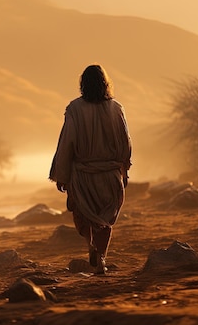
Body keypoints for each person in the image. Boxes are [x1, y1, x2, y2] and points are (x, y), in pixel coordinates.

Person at [49, 64, 132, 275]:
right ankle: (101, 258)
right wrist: (124, 169)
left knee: (84, 216)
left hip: (83, 176)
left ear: (82, 84)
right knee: (104, 220)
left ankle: (91, 248)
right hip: (110, 175)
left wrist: (62, 175)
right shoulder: (117, 108)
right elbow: (126, 142)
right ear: (105, 83)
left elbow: (66, 143)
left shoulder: (74, 109)